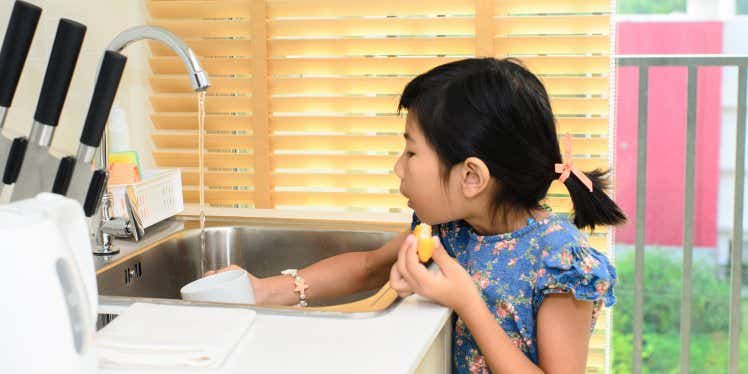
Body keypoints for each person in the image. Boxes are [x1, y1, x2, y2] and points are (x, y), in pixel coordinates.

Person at [207, 58, 626, 373]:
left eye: (411, 151)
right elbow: (369, 267)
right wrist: (264, 290)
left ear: (471, 176)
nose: (398, 166)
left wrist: (465, 300)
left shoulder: (560, 261)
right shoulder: (449, 229)